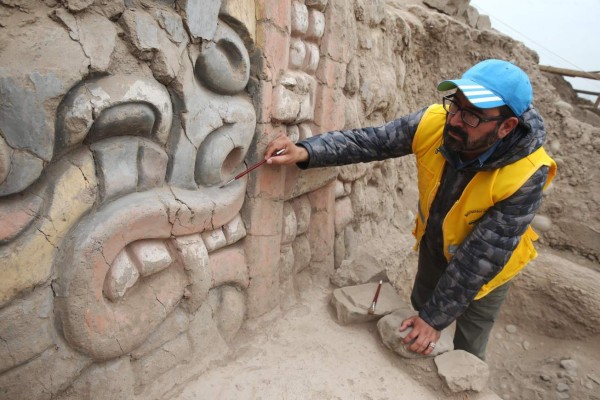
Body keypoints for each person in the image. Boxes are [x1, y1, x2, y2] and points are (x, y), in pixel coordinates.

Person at [264, 59, 557, 360]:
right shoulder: (434, 123)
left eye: (472, 116)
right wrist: (306, 151)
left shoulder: (527, 173)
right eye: (455, 105)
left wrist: (435, 320)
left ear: (506, 127)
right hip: (434, 242)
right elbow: (371, 142)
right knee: (421, 304)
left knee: (471, 336)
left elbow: (480, 257)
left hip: (488, 269)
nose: (455, 120)